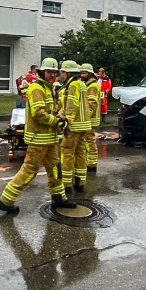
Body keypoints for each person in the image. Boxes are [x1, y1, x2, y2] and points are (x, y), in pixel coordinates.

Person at [0, 57, 75, 214]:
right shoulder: (36, 88)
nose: (52, 75)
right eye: (49, 72)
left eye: (54, 72)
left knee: (55, 168)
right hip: (38, 139)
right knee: (29, 171)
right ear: (42, 72)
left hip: (49, 139)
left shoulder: (48, 88)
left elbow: (51, 110)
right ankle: (6, 201)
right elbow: (39, 114)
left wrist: (60, 117)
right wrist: (56, 122)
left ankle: (58, 198)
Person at [58, 60, 90, 194]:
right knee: (81, 153)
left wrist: (67, 120)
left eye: (63, 72)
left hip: (74, 125)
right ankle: (80, 183)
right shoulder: (81, 84)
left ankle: (66, 185)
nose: (61, 75)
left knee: (67, 153)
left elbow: (72, 103)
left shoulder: (72, 85)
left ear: (69, 73)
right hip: (84, 125)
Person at [80, 63, 102, 171]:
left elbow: (91, 103)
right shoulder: (89, 84)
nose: (82, 75)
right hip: (89, 119)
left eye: (84, 73)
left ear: (90, 74)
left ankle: (92, 164)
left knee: (89, 141)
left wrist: (85, 117)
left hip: (89, 119)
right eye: (81, 73)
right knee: (87, 141)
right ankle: (90, 161)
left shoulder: (92, 86)